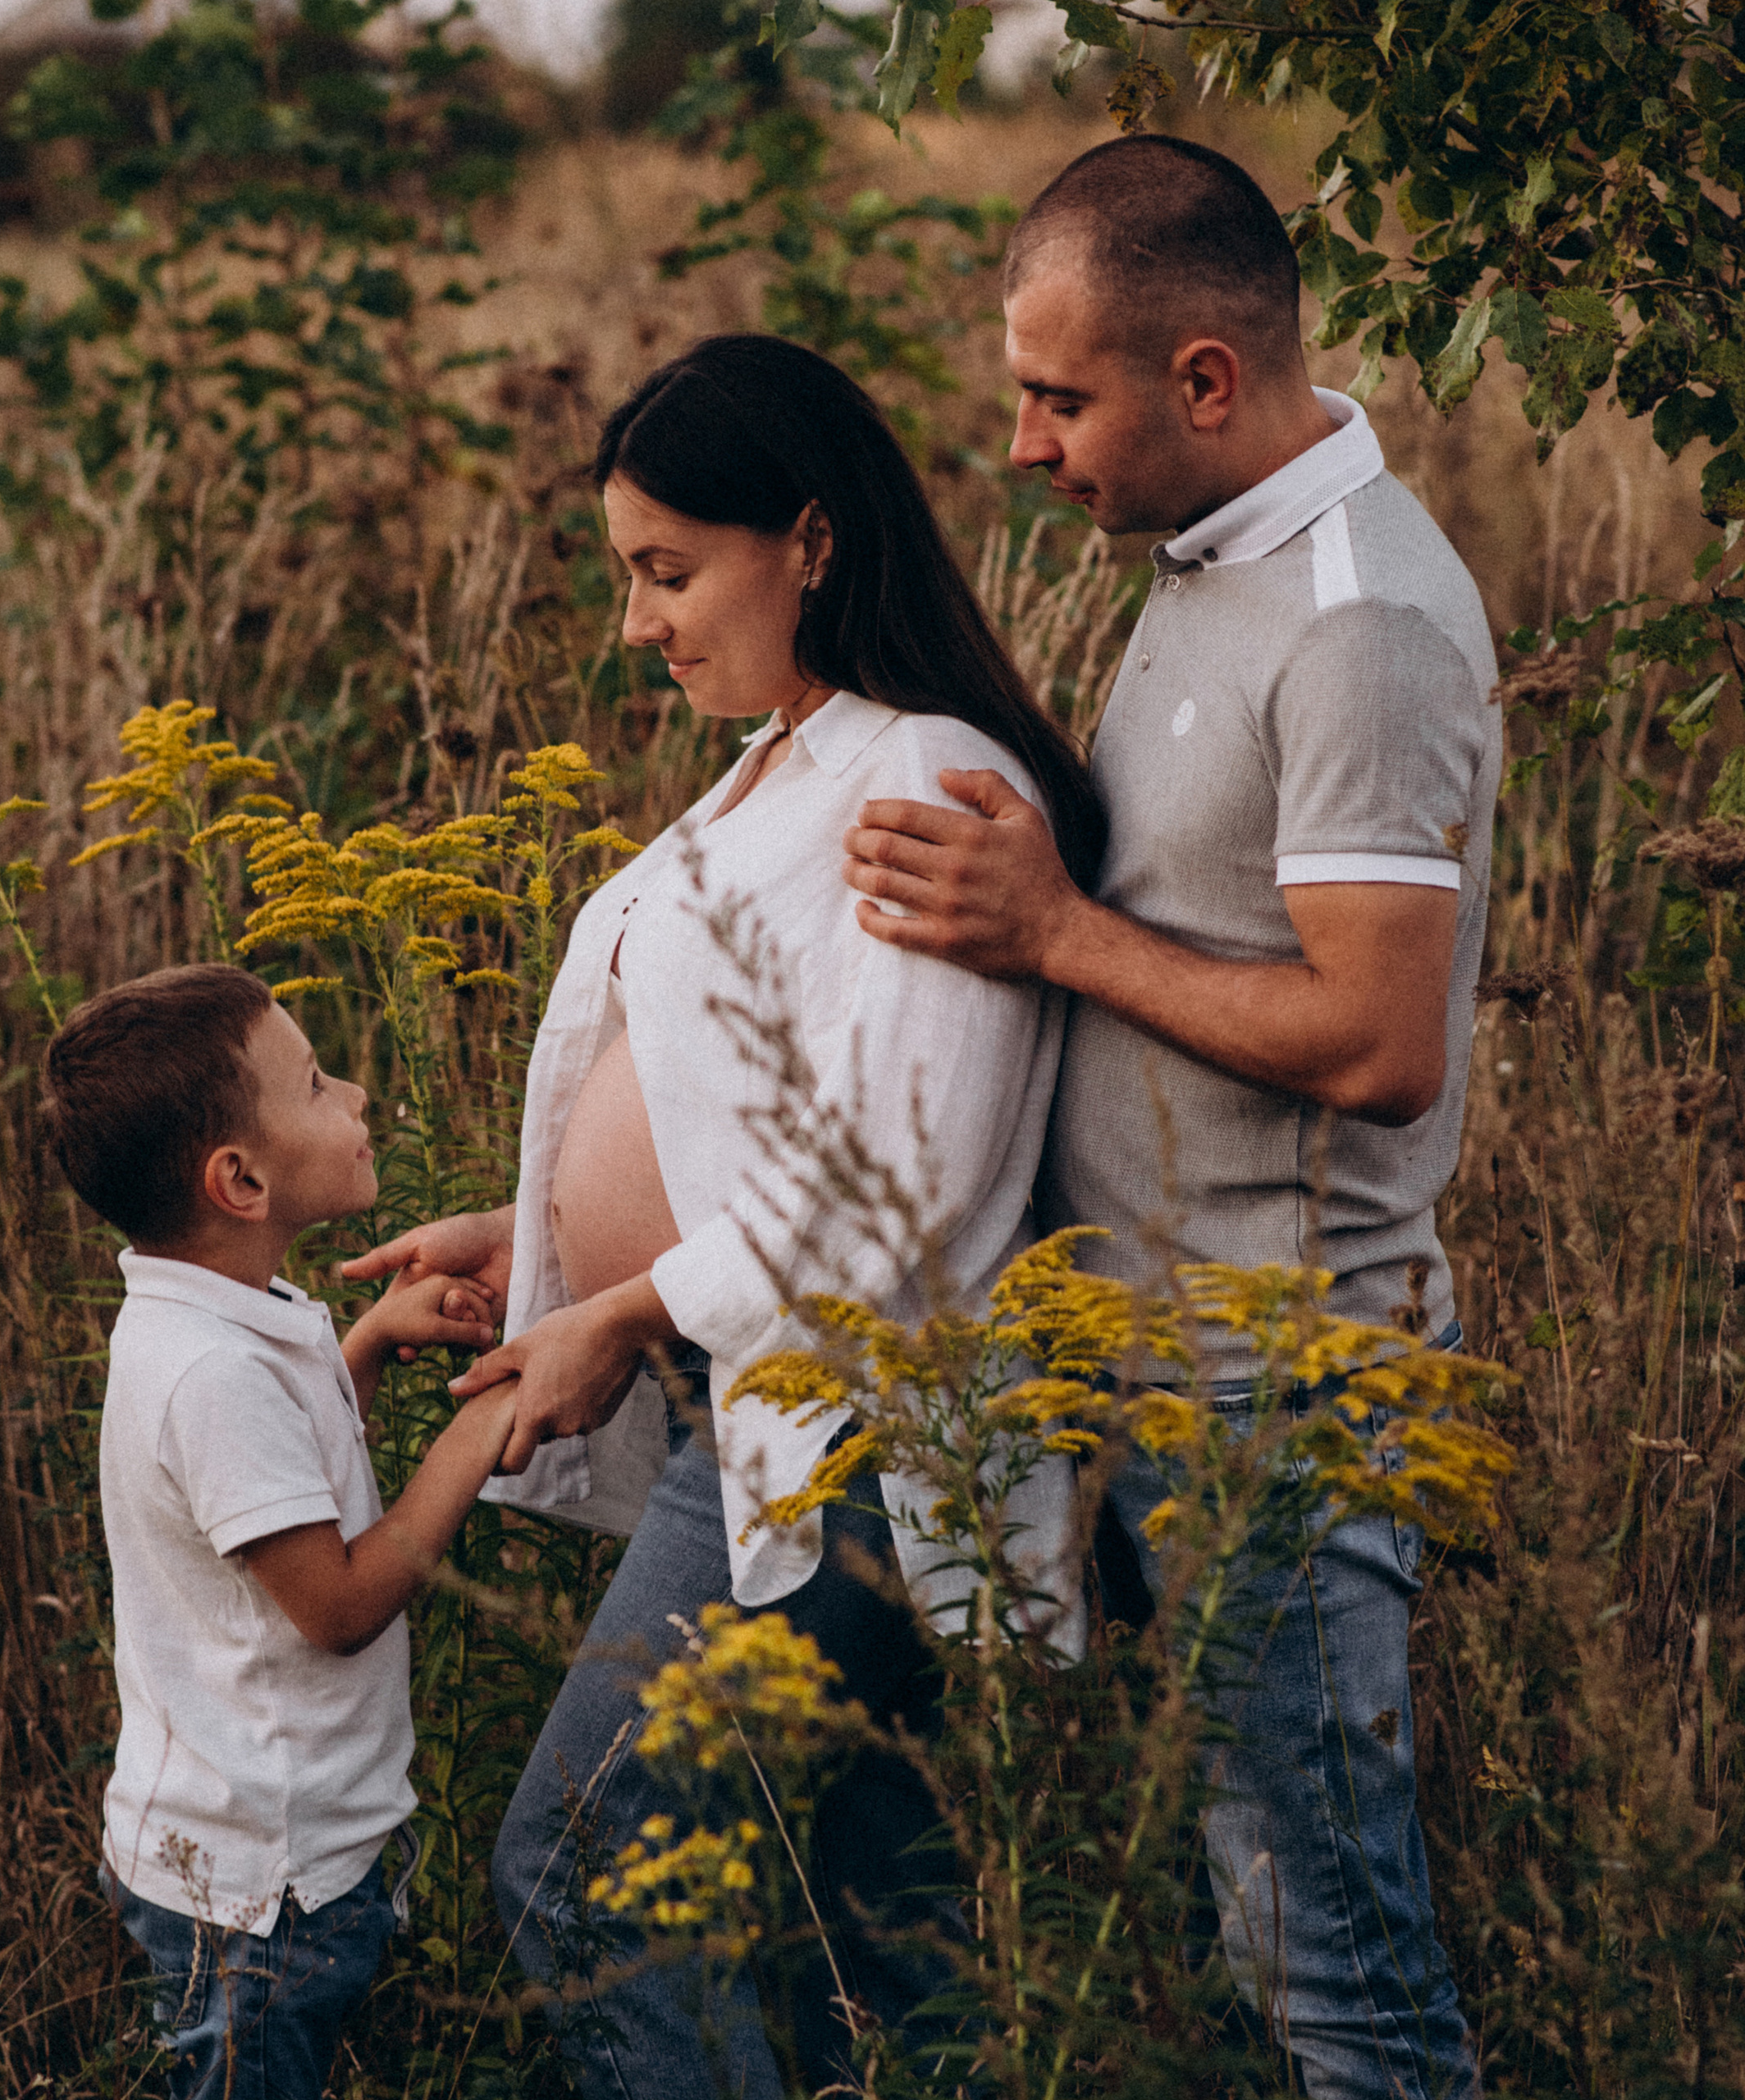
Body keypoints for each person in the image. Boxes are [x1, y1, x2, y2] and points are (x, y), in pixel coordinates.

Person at [341, 333, 1107, 2098]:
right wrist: (529, 1235)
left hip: (837, 1429)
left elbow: (902, 1173)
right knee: (878, 1945)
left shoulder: (917, 777)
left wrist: (616, 1305)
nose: (637, 624)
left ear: (812, 540)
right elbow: (756, 1109)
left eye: (667, 572)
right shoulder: (785, 757)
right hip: (745, 1404)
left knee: (582, 1861)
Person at [838, 137, 1498, 2100]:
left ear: (1201, 380)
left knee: (1336, 1974)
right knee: (1241, 1918)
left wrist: (1048, 928)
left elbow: (1381, 1042)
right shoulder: (1211, 562)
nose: (1023, 444)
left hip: (1276, 1396)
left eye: (1058, 397)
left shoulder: (1356, 619)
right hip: (1152, 1368)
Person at [42, 963, 516, 2100]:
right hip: (258, 1891)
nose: (355, 1095)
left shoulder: (220, 1314)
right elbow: (336, 1605)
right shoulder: (210, 1373)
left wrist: (362, 1348)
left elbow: (266, 1487)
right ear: (241, 1179)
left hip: (253, 1853)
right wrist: (488, 1419)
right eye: (314, 1084)